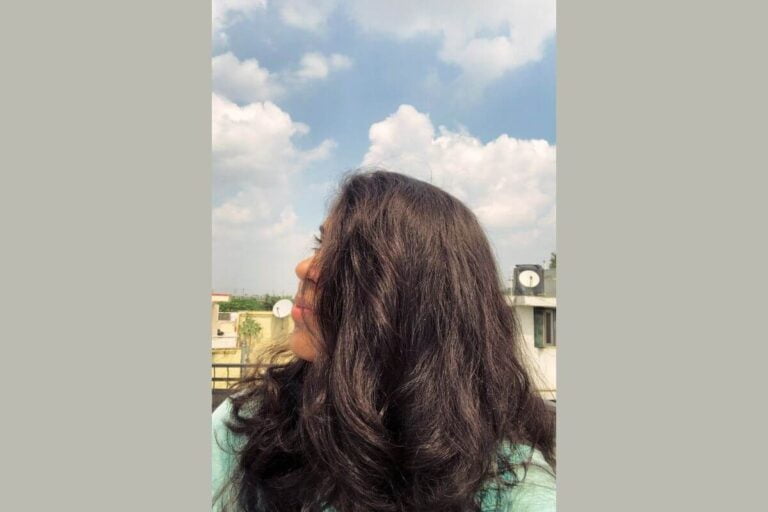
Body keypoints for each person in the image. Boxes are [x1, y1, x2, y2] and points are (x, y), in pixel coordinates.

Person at [212, 170, 556, 512]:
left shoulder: (512, 486)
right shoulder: (249, 426)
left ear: (417, 302)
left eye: (348, 259)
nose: (305, 268)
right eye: (320, 244)